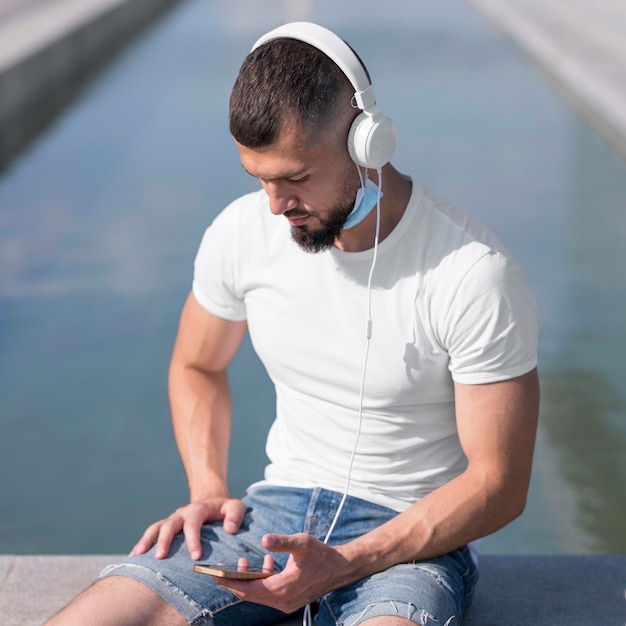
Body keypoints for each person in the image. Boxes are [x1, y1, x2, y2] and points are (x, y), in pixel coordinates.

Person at [47, 21, 539, 626]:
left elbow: (500, 482)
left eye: (297, 178)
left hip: (407, 540)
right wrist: (208, 489)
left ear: (367, 144)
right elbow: (198, 364)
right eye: (260, 180)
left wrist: (350, 560)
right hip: (269, 519)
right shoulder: (241, 230)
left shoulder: (472, 273)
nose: (277, 205)